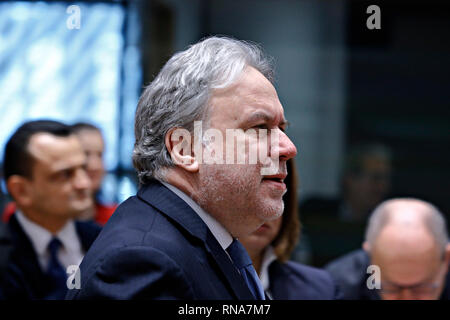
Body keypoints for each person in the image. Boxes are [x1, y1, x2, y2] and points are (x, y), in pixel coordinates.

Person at [66, 36, 297, 300]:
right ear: (185, 149)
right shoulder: (142, 261)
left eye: (281, 128)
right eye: (259, 128)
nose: (288, 148)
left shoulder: (209, 238)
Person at [0, 120, 101, 299]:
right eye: (64, 174)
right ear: (20, 190)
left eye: (83, 168)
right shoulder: (5, 256)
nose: (84, 183)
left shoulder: (104, 241)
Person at [240, 159, 339, 299]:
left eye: (275, 193)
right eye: (248, 193)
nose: (264, 210)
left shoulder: (321, 289)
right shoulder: (198, 282)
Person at [325, 198, 450, 300]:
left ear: (446, 259)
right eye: (392, 288)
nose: (407, 298)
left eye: (422, 288)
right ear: (370, 258)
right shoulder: (336, 288)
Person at [299, 143, 392, 266]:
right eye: (376, 178)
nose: (382, 187)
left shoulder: (388, 223)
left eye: (386, 179)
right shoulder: (313, 211)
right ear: (350, 179)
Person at [71, 122, 117, 225]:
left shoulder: (116, 217)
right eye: (85, 154)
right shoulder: (51, 220)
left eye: (100, 155)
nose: (95, 165)